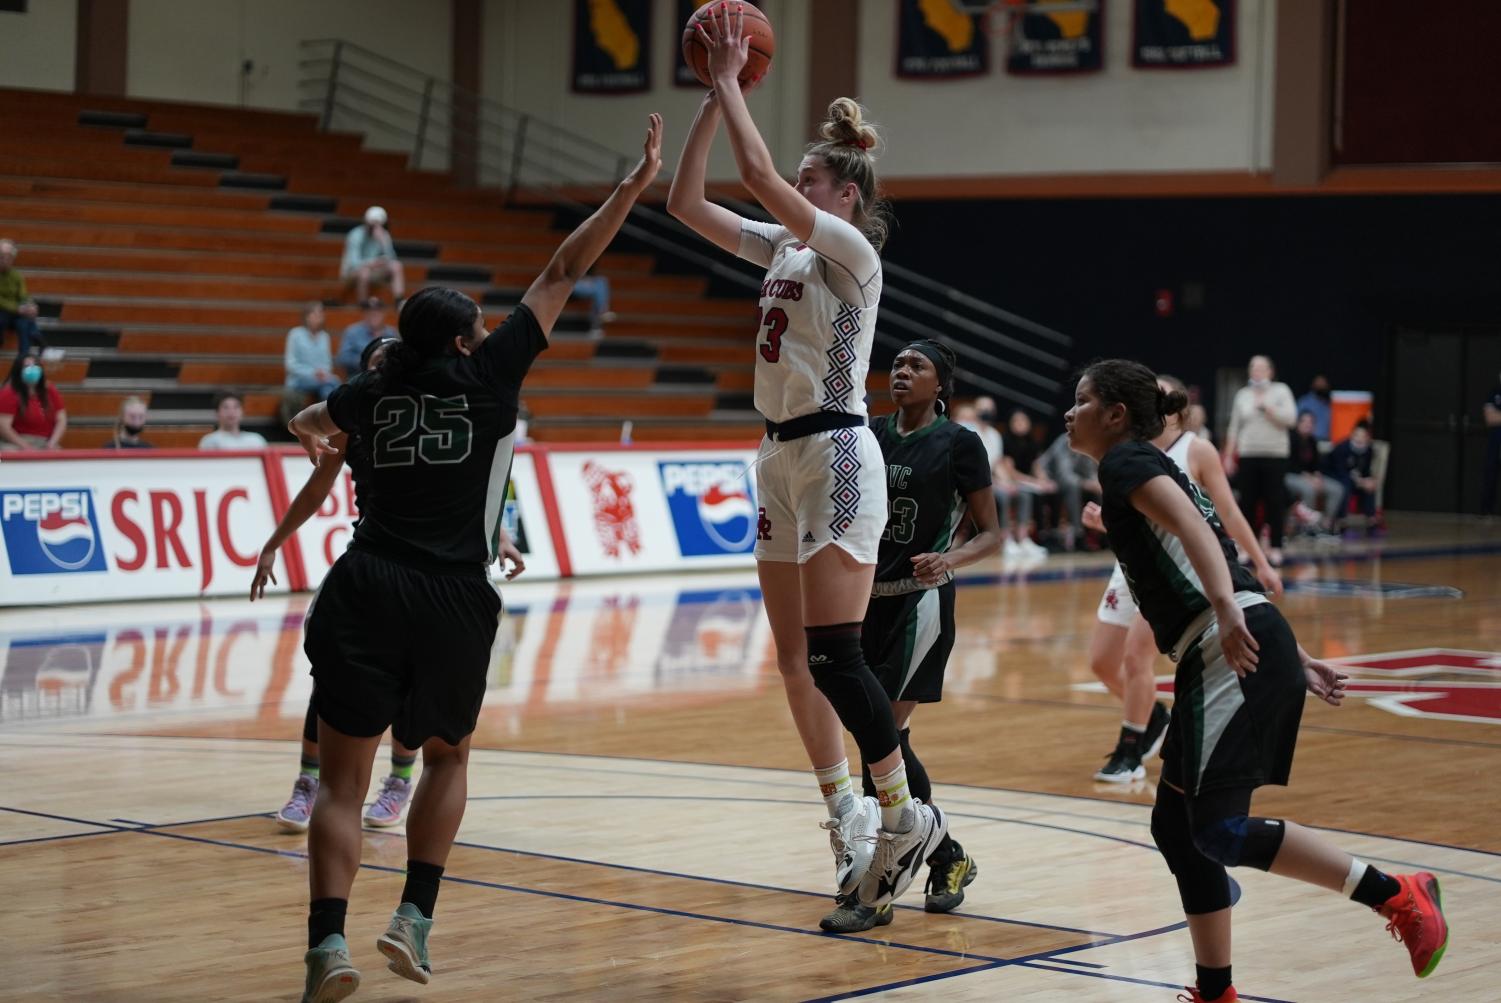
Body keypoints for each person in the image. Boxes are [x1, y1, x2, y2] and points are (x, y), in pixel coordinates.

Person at [281, 113, 661, 1002]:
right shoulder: (490, 379)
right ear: (462, 342)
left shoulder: (367, 392)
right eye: (481, 325)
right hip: (452, 593)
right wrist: (630, 186)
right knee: (446, 757)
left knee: (342, 777)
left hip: (365, 579)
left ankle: (325, 947)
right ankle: (413, 915)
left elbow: (309, 422)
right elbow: (565, 267)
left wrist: (316, 444)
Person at [668, 6, 945, 919]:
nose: (791, 184)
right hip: (775, 457)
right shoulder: (782, 245)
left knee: (833, 655)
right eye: (795, 179)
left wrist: (727, 76)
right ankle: (849, 821)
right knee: (792, 658)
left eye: (808, 178)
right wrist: (720, 95)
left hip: (835, 449)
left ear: (846, 196)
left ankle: (905, 815)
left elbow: (748, 172)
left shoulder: (853, 254)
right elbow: (685, 202)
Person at [1065, 358, 1447, 1002]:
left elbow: (1194, 531)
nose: (1069, 412)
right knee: (1177, 828)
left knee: (1217, 831)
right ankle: (1216, 992)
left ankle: (1397, 894)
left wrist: (1224, 612)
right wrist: (1291, 653)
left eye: (1080, 401)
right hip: (1236, 637)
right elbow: (1209, 551)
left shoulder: (1126, 462)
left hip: (1226, 642)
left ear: (1115, 415)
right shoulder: (1141, 470)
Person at [260, 337, 479, 835]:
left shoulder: (432, 412)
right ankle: (308, 781)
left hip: (434, 573)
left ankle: (400, 780)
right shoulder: (356, 415)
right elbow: (318, 484)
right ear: (363, 376)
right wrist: (275, 541)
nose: (387, 370)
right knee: (331, 675)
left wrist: (500, 536)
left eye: (393, 361)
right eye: (376, 365)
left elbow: (460, 489)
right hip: (375, 564)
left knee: (414, 684)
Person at [818, 340, 1002, 934]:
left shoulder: (961, 443)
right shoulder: (870, 432)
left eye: (915, 366)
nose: (900, 372)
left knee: (882, 741)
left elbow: (992, 533)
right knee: (881, 740)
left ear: (940, 384)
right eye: (896, 364)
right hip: (863, 602)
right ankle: (948, 854)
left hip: (920, 604)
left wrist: (950, 559)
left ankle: (881, 887)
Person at [1082, 373, 1282, 784]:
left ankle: (1131, 749)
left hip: (1178, 569)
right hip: (1132, 563)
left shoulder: (1197, 449)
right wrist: (1106, 523)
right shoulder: (1129, 451)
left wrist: (1261, 563)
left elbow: (1226, 511)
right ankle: (1152, 716)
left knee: (1137, 658)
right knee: (1102, 661)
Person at [1224, 355, 1296, 566]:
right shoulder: (1242, 395)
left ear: (1270, 371)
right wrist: (1229, 455)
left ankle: (1275, 546)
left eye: (1261, 368)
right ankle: (1247, 547)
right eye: (1253, 367)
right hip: (1248, 454)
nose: (1256, 371)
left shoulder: (1281, 391)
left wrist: (1268, 408)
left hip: (1275, 455)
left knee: (1275, 502)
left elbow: (1291, 419)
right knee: (1248, 502)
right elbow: (1234, 427)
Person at [997, 408, 1053, 559]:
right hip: (1011, 481)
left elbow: (1036, 467)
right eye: (1017, 421)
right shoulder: (1005, 441)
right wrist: (1034, 482)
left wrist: (1044, 480)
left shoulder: (1032, 442)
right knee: (1020, 494)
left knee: (1041, 492)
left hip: (1025, 483)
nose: (1021, 424)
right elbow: (1010, 472)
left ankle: (1029, 538)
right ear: (1010, 424)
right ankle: (1008, 539)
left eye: (1024, 421)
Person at [1039, 430, 1099, 551]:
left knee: (1100, 489)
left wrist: (1096, 484)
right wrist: (1086, 484)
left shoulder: (1088, 440)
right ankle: (1078, 535)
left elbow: (1090, 471)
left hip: (1071, 480)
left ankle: (1101, 533)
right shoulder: (1064, 441)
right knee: (1073, 488)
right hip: (1049, 477)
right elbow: (1064, 475)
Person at [1285, 411, 1343, 534]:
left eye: (1311, 422)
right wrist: (1307, 477)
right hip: (1291, 475)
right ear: (1297, 423)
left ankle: (1325, 524)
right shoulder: (1290, 438)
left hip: (1309, 476)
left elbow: (1316, 464)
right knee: (1309, 489)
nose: (1308, 425)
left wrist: (1317, 475)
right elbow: (1289, 464)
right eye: (1305, 421)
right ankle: (1308, 527)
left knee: (1337, 489)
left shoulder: (1312, 441)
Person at [0, 351, 65, 450]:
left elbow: (61, 419)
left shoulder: (49, 389)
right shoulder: (9, 392)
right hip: (17, 442)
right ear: (19, 370)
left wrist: (52, 443)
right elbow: (3, 427)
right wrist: (26, 447)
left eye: (35, 366)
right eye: (27, 366)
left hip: (45, 442)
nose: (32, 369)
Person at [342, 206, 405, 304]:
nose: (375, 228)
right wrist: (372, 263)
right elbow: (353, 263)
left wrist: (383, 242)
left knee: (397, 266)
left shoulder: (384, 235)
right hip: (352, 272)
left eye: (378, 225)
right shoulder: (355, 235)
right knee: (364, 272)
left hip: (374, 271)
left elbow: (392, 258)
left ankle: (399, 301)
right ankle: (363, 304)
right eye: (373, 225)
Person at [1327, 420, 1379, 530]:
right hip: (1337, 476)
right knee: (1345, 485)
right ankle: (1341, 519)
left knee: (1369, 487)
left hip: (1356, 479)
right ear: (1351, 435)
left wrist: (1368, 480)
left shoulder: (1368, 450)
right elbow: (1340, 471)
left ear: (1367, 437)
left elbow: (1366, 471)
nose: (1359, 439)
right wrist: (1360, 482)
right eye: (1356, 435)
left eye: (1363, 436)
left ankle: (1371, 519)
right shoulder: (1342, 448)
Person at [286, 303, 339, 403]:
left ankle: (326, 417)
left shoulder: (324, 336)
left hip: (321, 381)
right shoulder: (295, 334)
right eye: (314, 313)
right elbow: (290, 365)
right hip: (299, 380)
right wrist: (313, 373)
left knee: (327, 391)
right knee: (334, 382)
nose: (318, 317)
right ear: (306, 316)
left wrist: (323, 373)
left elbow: (327, 363)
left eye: (320, 314)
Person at [0, 239, 43, 357]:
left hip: (14, 314)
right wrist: (18, 309)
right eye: (2, 256)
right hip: (3, 313)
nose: (5, 260)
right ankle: (37, 337)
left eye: (9, 257)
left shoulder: (16, 276)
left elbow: (23, 295)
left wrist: (30, 306)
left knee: (24, 323)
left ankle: (23, 357)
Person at [334, 299, 395, 378]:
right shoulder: (352, 332)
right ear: (365, 314)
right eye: (370, 313)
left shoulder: (391, 333)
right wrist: (366, 361)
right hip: (359, 377)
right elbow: (342, 358)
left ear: (383, 314)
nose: (374, 315)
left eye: (377, 312)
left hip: (386, 378)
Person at [199, 391, 270, 450]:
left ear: (242, 412)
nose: (231, 412)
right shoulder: (210, 441)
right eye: (225, 407)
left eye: (236, 407)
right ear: (217, 413)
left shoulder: (256, 439)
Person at [1483, 370, 1501, 517]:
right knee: (1491, 474)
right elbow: (1490, 418)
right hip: (1495, 441)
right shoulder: (1494, 393)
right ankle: (1487, 510)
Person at [1296, 373, 1333, 442]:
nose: (1321, 385)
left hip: (1327, 442)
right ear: (1313, 384)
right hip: (1308, 441)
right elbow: (1296, 422)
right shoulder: (1304, 402)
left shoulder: (1331, 404)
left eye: (1323, 383)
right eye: (1319, 382)